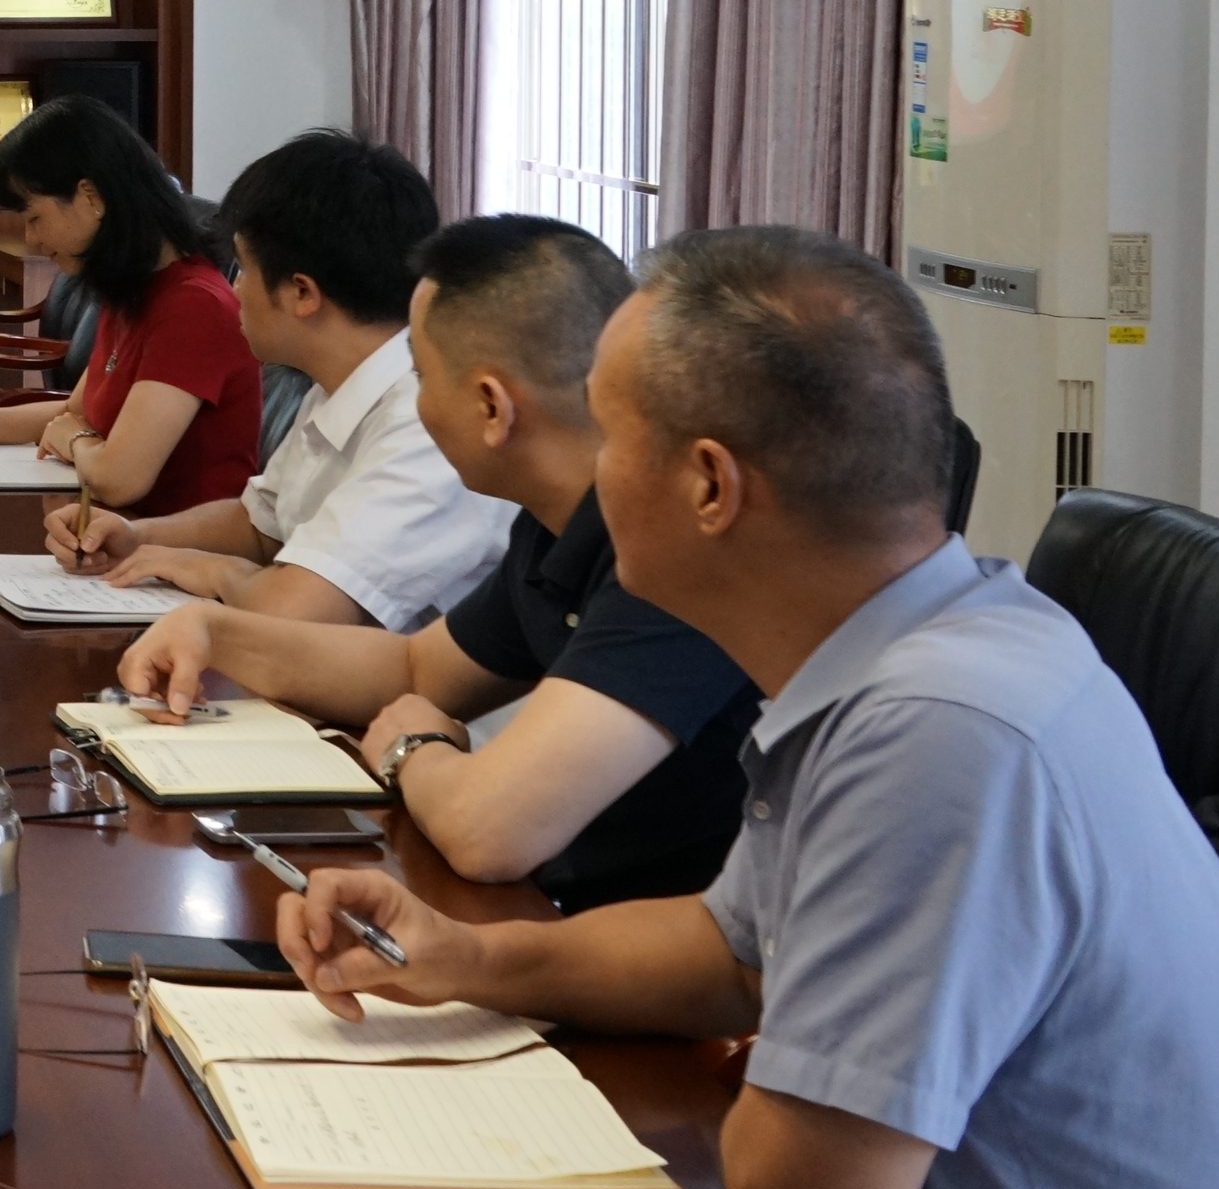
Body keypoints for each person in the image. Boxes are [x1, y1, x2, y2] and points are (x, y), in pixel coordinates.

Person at [274, 227, 1219, 1189]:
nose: (590, 475)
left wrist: (775, 1048)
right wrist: (470, 959)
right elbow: (729, 956)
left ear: (709, 485)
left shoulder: (934, 733)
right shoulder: (939, 639)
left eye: (610, 433)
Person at [119, 216, 753, 907]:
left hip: (633, 945)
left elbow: (488, 831)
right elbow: (417, 668)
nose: (414, 406)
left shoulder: (669, 557)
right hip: (558, 916)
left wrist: (411, 747)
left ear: (491, 407)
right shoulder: (556, 525)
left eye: (421, 376)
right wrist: (216, 634)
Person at [53, 129, 510, 627]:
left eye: (244, 269)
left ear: (302, 293)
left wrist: (211, 571)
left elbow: (302, 607)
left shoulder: (424, 425)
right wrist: (137, 537)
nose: (234, 290)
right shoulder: (337, 384)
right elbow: (261, 526)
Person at [0, 96, 261, 512]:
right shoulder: (136, 289)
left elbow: (119, 479)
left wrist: (75, 439)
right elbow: (75, 411)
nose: (31, 238)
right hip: (112, 530)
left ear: (90, 197)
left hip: (172, 543)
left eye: (34, 217)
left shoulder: (193, 307)